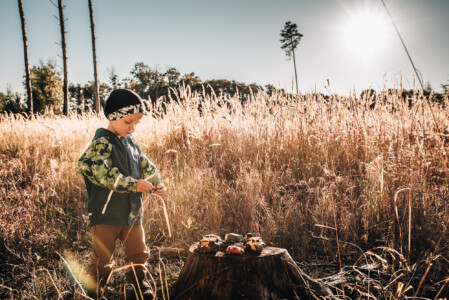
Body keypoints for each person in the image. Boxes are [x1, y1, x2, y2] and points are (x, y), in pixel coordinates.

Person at [78, 89, 166, 299]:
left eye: (137, 123)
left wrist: (157, 182)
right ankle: (96, 286)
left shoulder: (132, 143)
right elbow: (103, 174)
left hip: (132, 213)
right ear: (112, 116)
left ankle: (138, 280)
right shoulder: (101, 144)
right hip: (106, 214)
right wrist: (133, 185)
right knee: (103, 255)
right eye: (128, 122)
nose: (133, 127)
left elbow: (146, 164)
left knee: (139, 251)